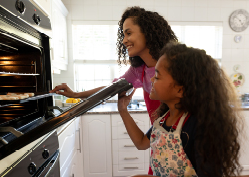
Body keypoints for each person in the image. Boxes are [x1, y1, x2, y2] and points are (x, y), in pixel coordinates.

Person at [100, 41, 244, 177]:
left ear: (180, 89)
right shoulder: (164, 119)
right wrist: (123, 110)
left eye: (158, 75)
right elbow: (141, 142)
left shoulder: (199, 125)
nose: (152, 78)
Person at [49, 6, 178, 124]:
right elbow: (110, 90)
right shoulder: (139, 70)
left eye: (129, 33)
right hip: (160, 137)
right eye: (123, 35)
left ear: (147, 32)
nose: (124, 40)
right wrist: (76, 94)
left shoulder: (175, 64)